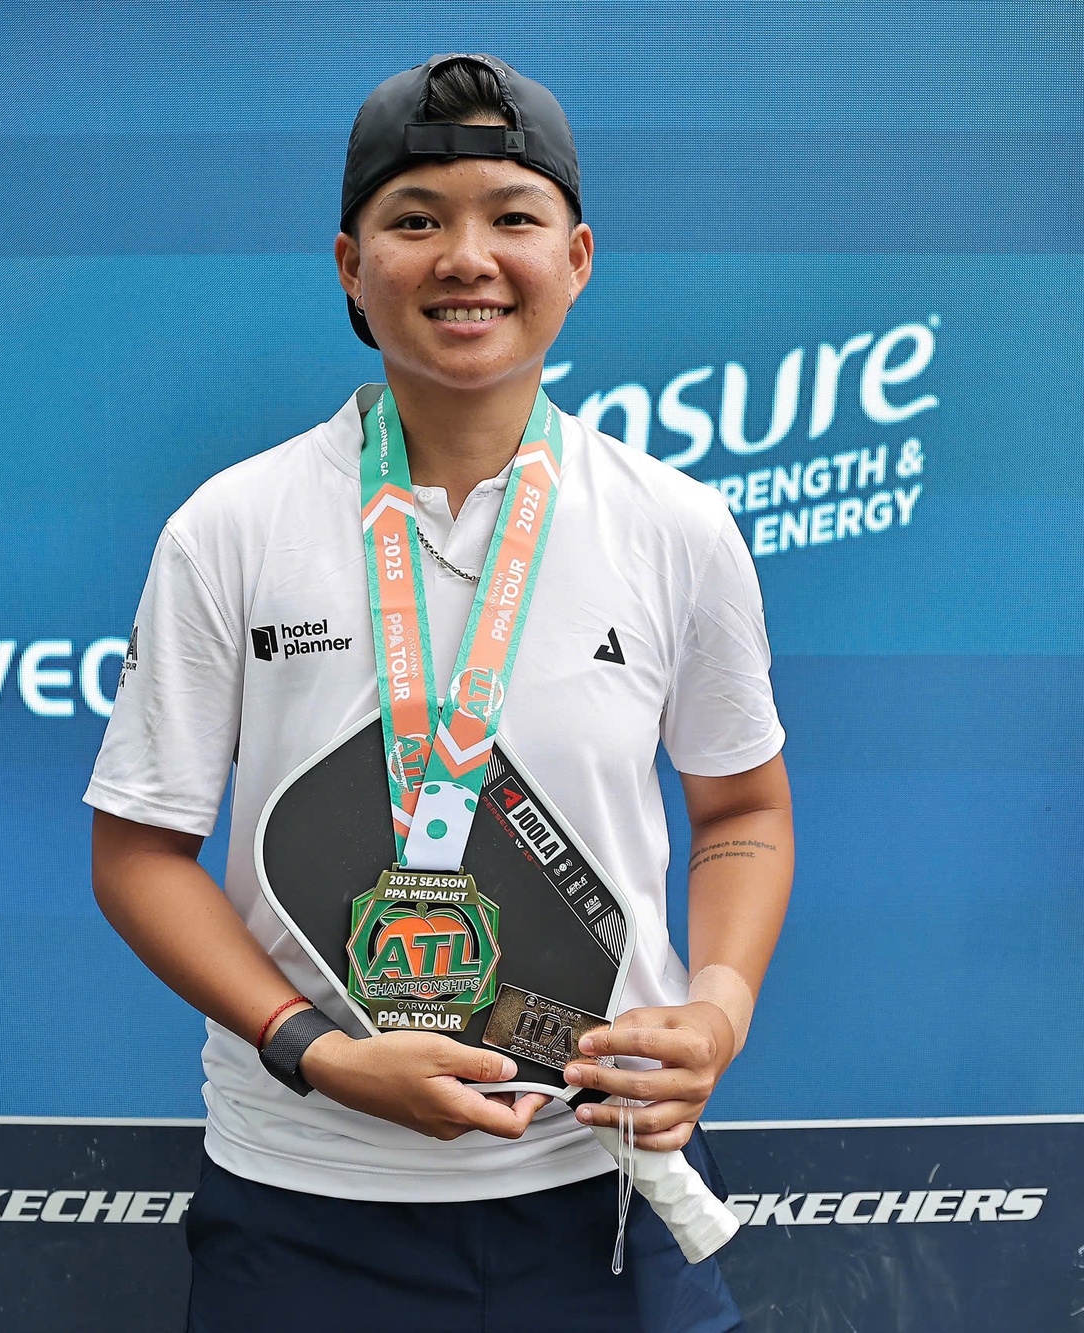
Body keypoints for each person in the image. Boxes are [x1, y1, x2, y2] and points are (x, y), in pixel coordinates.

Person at [87, 53, 792, 1332]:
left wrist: (718, 1010)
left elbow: (743, 809)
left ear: (575, 258)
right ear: (350, 267)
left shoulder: (675, 527)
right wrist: (316, 1052)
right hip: (303, 1200)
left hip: (603, 1183)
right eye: (415, 221)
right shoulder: (230, 527)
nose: (466, 258)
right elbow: (138, 851)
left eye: (510, 217)